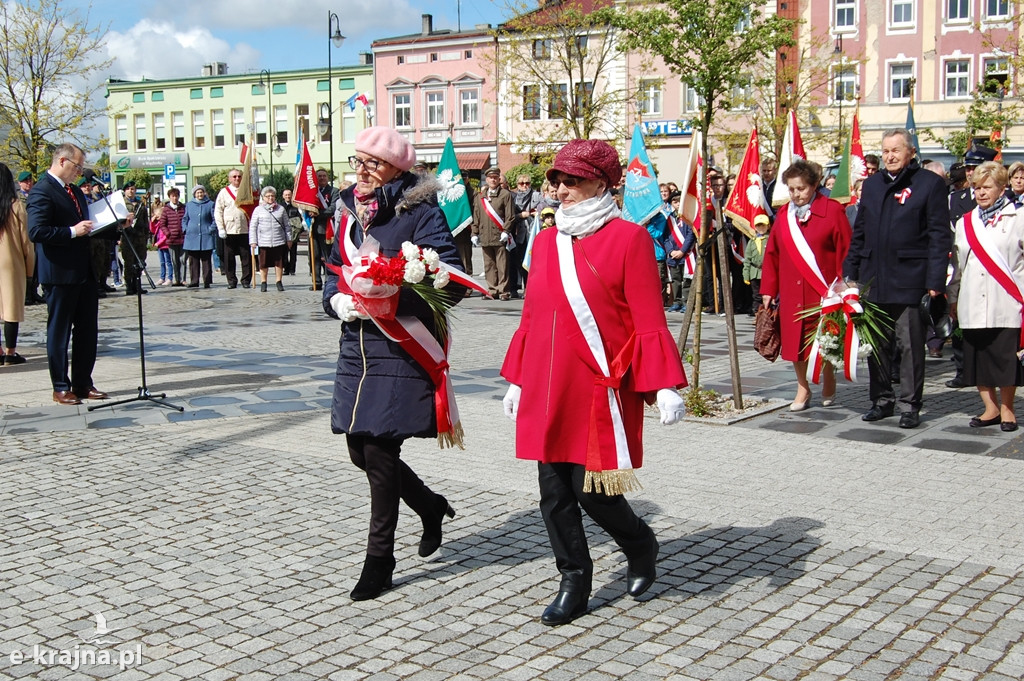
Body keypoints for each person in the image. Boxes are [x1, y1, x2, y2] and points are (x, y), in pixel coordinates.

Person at [500, 138, 688, 626]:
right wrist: (518, 379)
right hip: (547, 382)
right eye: (556, 180)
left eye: (572, 180)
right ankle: (574, 579)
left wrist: (663, 384)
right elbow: (534, 314)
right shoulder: (545, 242)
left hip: (599, 385)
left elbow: (648, 318)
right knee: (553, 490)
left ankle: (638, 542)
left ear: (601, 183)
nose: (559, 189)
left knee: (593, 491)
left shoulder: (628, 239)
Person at [323, 126, 465, 602]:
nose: (361, 172)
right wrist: (337, 302)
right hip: (356, 343)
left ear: (398, 171)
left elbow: (452, 278)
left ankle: (379, 560)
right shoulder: (344, 210)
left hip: (403, 341)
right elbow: (330, 270)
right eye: (357, 160)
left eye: (373, 164)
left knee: (380, 453)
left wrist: (397, 286)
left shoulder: (420, 213)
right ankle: (429, 507)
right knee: (359, 451)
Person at [843, 128, 952, 429]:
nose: (890, 156)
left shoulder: (929, 184)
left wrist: (934, 282)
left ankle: (910, 405)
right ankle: (881, 400)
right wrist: (850, 272)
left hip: (910, 280)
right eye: (886, 150)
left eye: (896, 150)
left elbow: (939, 237)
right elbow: (860, 231)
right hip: (873, 280)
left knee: (910, 348)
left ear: (910, 153)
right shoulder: (874, 185)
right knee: (876, 346)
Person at [761, 159, 851, 410]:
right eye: (791, 189)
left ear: (813, 186)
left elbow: (846, 249)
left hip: (823, 290)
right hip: (791, 290)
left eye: (800, 188)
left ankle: (829, 376)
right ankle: (803, 387)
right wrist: (769, 288)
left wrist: (845, 284)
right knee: (795, 343)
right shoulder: (783, 215)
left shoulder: (832, 210)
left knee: (824, 341)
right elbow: (773, 253)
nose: (795, 194)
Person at [26, 143, 107, 405]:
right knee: (60, 331)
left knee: (87, 330)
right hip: (59, 273)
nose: (79, 173)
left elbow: (88, 226)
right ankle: (60, 385)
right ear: (62, 161)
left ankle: (83, 382)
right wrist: (72, 231)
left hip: (84, 271)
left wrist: (115, 224)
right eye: (77, 167)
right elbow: (36, 232)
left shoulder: (74, 191)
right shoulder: (42, 191)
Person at [947, 162, 1024, 432]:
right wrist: (953, 297)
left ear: (1002, 188)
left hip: (1007, 300)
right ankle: (989, 408)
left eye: (987, 187)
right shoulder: (964, 222)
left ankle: (1007, 410)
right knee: (978, 356)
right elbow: (958, 266)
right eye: (977, 187)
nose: (980, 192)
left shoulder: (1019, 219)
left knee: (1004, 358)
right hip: (972, 301)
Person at [0, 163, 35, 365]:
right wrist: (30, 269)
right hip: (12, 264)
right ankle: (10, 353)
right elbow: (26, 242)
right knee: (12, 308)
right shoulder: (15, 206)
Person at [471, 166, 515, 300]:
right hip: (485, 235)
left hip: (499, 234)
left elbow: (510, 216)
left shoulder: (505, 195)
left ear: (499, 179)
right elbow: (476, 216)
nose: (493, 180)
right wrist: (474, 233)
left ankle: (503, 291)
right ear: (487, 179)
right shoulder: (481, 197)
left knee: (502, 265)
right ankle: (492, 289)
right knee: (489, 265)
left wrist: (506, 230)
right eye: (491, 177)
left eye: (496, 177)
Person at [215, 168, 252, 289]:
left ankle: (246, 280)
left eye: (239, 176)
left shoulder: (247, 191)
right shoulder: (224, 192)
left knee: (246, 257)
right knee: (229, 257)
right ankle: (231, 280)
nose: (237, 178)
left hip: (244, 228)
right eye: (234, 176)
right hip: (229, 229)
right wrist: (220, 227)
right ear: (229, 179)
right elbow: (218, 211)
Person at [248, 186, 291, 292]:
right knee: (263, 264)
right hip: (264, 241)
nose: (270, 198)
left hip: (278, 240)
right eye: (268, 196)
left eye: (272, 196)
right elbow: (253, 226)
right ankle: (263, 282)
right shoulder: (258, 210)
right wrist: (253, 241)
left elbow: (287, 225)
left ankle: (278, 281)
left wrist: (289, 239)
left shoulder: (280, 209)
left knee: (279, 263)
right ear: (263, 197)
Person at [310, 167, 339, 290]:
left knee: (328, 256)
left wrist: (318, 213)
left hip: (327, 228)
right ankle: (316, 281)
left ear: (327, 178)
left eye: (324, 176)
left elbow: (333, 208)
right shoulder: (312, 192)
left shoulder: (333, 191)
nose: (322, 178)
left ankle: (329, 281)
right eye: (319, 176)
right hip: (312, 228)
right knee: (314, 256)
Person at [182, 184, 217, 288]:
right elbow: (185, 219)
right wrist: (185, 229)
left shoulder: (210, 204)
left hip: (206, 236)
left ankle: (207, 281)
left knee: (206, 260)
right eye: (198, 192)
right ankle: (194, 281)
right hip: (192, 236)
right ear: (194, 194)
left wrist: (211, 228)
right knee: (193, 260)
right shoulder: (189, 205)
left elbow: (215, 218)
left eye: (201, 192)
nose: (200, 194)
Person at [509, 173, 537, 297]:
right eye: (521, 183)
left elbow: (541, 208)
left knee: (531, 261)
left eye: (527, 183)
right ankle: (515, 288)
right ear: (517, 185)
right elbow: (510, 216)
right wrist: (521, 216)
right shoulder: (513, 198)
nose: (524, 186)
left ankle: (529, 288)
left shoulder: (536, 196)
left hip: (531, 233)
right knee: (518, 262)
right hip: (517, 233)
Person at [120, 181, 150, 296]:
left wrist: (146, 235)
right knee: (129, 262)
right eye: (128, 189)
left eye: (133, 189)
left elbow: (145, 221)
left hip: (140, 237)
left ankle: (138, 285)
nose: (131, 191)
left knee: (140, 261)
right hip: (128, 237)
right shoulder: (122, 203)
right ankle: (129, 286)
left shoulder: (140, 204)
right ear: (125, 190)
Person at [742, 213, 771, 311]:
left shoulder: (771, 239)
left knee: (768, 294)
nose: (761, 228)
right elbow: (747, 259)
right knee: (756, 295)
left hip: (767, 272)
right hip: (755, 272)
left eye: (763, 225)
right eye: (758, 225)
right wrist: (746, 275)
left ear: (768, 226)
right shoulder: (752, 241)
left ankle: (768, 313)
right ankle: (758, 314)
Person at [158, 187, 185, 286]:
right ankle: (177, 279)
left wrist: (185, 231)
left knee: (183, 260)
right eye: (173, 196)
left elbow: (186, 220)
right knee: (174, 261)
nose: (175, 198)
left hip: (182, 238)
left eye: (176, 196)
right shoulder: (166, 209)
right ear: (169, 197)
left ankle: (183, 279)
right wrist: (168, 233)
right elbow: (162, 224)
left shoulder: (183, 207)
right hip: (172, 239)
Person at [280, 188, 303, 275]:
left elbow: (300, 219)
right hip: (283, 233)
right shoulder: (280, 206)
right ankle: (286, 269)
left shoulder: (296, 206)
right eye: (286, 195)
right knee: (284, 253)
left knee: (293, 253)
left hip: (294, 233)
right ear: (283, 196)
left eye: (289, 194)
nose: (288, 196)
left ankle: (292, 270)